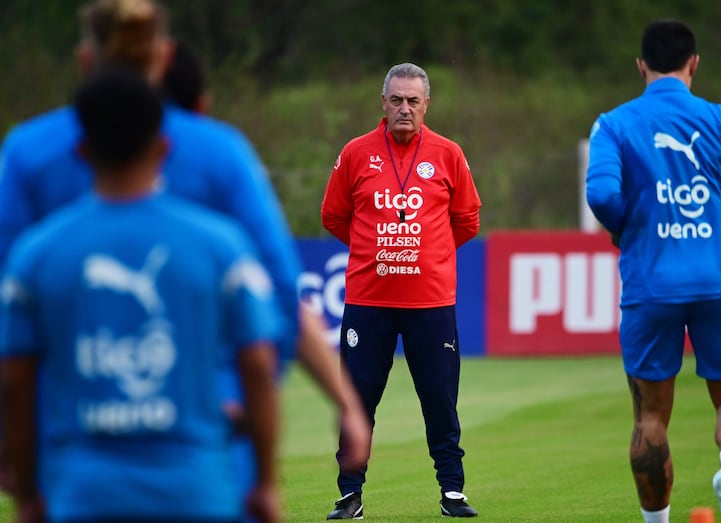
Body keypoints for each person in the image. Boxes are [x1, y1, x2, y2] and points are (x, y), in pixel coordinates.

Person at [0, 0, 371, 509]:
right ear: (164, 57)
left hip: (75, 446)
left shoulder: (29, 154)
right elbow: (280, 294)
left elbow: (12, 320)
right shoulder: (218, 153)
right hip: (205, 444)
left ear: (86, 60)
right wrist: (271, 411)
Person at [1, 67, 282, 523]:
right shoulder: (220, 245)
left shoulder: (36, 255)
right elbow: (257, 366)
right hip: (197, 492)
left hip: (86, 496)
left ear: (82, 151)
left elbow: (14, 384)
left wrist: (30, 494)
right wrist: (266, 485)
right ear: (165, 147)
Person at [586, 19, 721, 523]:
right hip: (715, 283)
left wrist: (629, 224)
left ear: (640, 66)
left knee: (650, 416)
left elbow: (600, 194)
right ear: (694, 64)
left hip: (650, 287)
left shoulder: (614, 124)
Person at [320, 62, 481, 519]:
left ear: (426, 104)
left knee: (439, 402)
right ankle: (350, 494)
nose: (404, 108)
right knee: (357, 403)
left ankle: (452, 493)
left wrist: (427, 252)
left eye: (413, 100)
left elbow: (467, 220)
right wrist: (373, 248)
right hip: (368, 304)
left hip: (430, 303)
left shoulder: (448, 153)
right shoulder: (356, 153)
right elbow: (334, 215)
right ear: (383, 103)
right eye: (397, 100)